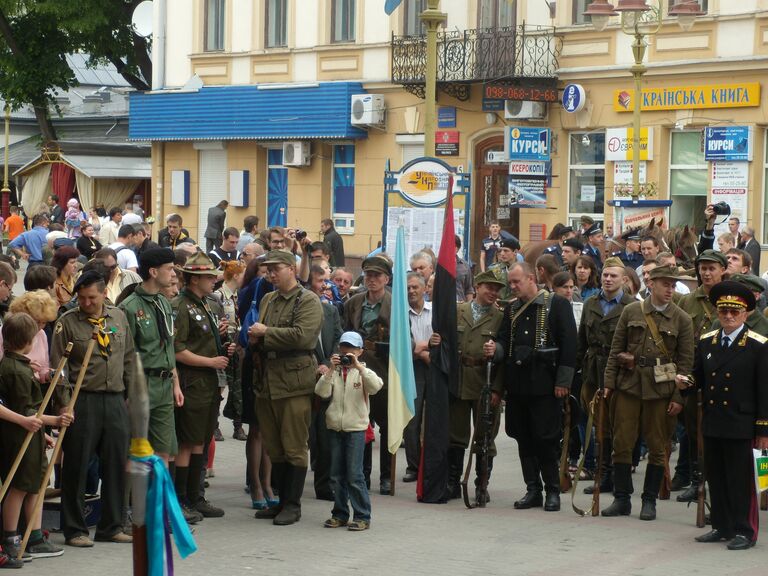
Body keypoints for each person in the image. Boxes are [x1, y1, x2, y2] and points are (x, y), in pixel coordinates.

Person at [50, 271, 137, 547]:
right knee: (77, 464)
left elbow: (129, 358)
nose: (86, 303)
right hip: (81, 400)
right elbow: (58, 370)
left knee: (115, 463)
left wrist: (130, 394)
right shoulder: (68, 323)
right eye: (82, 298)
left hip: (114, 399)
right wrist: (64, 404)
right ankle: (74, 529)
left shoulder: (118, 318)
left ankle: (111, 526)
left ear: (103, 294)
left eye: (92, 297)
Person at [601, 265, 694, 521]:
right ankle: (621, 499)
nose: (670, 290)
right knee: (621, 443)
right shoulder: (632, 311)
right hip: (628, 387)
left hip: (661, 391)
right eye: (666, 284)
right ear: (651, 283)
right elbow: (615, 349)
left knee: (657, 447)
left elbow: (686, 365)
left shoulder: (682, 319)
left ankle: (649, 500)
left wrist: (678, 397)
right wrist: (609, 384)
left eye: (673, 286)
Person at [681, 280, 768, 550]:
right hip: (714, 420)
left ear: (746, 314)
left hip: (743, 423)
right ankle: (721, 525)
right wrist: (687, 383)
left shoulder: (758, 345)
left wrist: (763, 430)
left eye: (734, 312)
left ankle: (745, 530)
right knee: (716, 476)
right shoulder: (708, 341)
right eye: (723, 312)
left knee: (740, 479)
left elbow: (764, 390)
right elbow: (700, 379)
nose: (728, 317)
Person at [494, 262, 577, 512]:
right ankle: (533, 489)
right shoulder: (512, 310)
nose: (513, 287)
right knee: (523, 437)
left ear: (531, 279)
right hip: (518, 385)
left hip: (545, 385)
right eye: (510, 283)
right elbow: (503, 340)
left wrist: (563, 382)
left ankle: (553, 489)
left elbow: (569, 344)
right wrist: (495, 349)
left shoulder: (556, 304)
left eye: (516, 282)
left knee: (545, 438)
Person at [248, 249, 323, 525]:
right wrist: (255, 338)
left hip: (294, 381)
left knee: (293, 445)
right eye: (267, 270)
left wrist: (266, 333)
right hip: (267, 379)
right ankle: (280, 501)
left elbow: (303, 337)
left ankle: (293, 504)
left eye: (275, 269)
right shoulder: (268, 298)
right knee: (274, 444)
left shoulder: (308, 300)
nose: (270, 274)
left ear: (292, 268)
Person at [0, 313, 72, 559]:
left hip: (29, 433)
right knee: (19, 486)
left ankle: (32, 536)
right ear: (28, 341)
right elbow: (27, 411)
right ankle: (11, 537)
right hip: (20, 435)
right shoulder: (16, 371)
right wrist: (54, 421)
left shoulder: (17, 366)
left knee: (33, 485)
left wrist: (44, 432)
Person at [172, 251, 232, 520]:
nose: (213, 281)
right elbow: (177, 349)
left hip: (207, 383)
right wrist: (210, 361)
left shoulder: (206, 303)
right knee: (188, 441)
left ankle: (196, 497)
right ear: (195, 279)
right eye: (209, 277)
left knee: (202, 440)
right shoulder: (181, 306)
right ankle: (183, 499)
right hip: (193, 380)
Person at [440, 270, 504, 503]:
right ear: (477, 286)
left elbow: (504, 355)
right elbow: (445, 342)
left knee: (485, 436)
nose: (493, 292)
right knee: (455, 435)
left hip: (484, 382)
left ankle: (481, 485)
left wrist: (497, 389)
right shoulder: (459, 311)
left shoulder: (500, 317)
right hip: (459, 381)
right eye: (489, 287)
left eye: (497, 289)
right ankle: (452, 482)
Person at [118, 249, 183, 466]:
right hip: (141, 385)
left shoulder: (163, 302)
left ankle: (157, 500)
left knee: (164, 451)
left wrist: (175, 384)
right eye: (170, 269)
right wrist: (128, 391)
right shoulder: (129, 307)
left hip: (164, 385)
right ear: (154, 272)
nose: (173, 274)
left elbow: (168, 347)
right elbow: (125, 355)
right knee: (137, 450)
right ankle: (131, 500)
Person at [576, 257, 634, 495]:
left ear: (623, 279)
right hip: (593, 372)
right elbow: (581, 341)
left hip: (620, 375)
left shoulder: (632, 306)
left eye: (613, 276)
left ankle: (618, 477)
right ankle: (602, 474)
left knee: (619, 428)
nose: (608, 279)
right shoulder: (590, 303)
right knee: (599, 427)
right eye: (605, 275)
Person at [315, 331, 382, 531]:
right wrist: (330, 370)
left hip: (356, 429)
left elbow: (376, 386)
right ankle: (340, 513)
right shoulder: (334, 372)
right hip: (335, 427)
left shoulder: (363, 372)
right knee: (336, 474)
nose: (346, 352)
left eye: (351, 349)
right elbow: (321, 392)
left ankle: (362, 515)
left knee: (354, 474)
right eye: (344, 347)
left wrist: (359, 367)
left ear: (360, 351)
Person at [674, 250, 727, 498]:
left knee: (717, 432)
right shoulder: (688, 301)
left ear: (723, 270)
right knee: (693, 428)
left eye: (711, 268)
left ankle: (715, 481)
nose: (706, 273)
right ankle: (697, 480)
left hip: (723, 376)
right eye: (702, 268)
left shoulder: (730, 298)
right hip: (694, 372)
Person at [343, 255, 393, 494]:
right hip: (357, 368)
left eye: (377, 276)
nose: (371, 280)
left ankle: (386, 477)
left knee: (386, 425)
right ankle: (362, 474)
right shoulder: (354, 303)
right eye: (368, 275)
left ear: (386, 279)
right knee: (361, 424)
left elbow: (404, 341)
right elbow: (344, 333)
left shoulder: (395, 304)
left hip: (383, 371)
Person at [308, 265, 342, 500]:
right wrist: (315, 364)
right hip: (302, 380)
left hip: (327, 379)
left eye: (326, 281)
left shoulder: (330, 311)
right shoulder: (300, 308)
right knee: (303, 436)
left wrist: (330, 363)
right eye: (321, 280)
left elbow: (339, 339)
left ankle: (324, 485)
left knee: (325, 435)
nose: (325, 286)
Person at [212, 260, 247, 441]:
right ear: (235, 275)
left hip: (236, 341)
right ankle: (214, 425)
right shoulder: (218, 296)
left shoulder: (236, 295)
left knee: (236, 386)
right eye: (242, 275)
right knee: (221, 384)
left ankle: (238, 425)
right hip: (224, 343)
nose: (244, 278)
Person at [402, 272, 432, 484]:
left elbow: (441, 341)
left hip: (434, 369)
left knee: (434, 420)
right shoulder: (401, 315)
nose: (411, 291)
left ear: (424, 289)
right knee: (411, 421)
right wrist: (422, 350)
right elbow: (403, 346)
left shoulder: (435, 312)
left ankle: (431, 464)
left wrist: (420, 348)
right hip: (412, 369)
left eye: (415, 287)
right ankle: (414, 466)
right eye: (408, 288)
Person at [489, 237, 521, 301]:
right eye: (500, 251)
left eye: (506, 251)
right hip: (498, 306)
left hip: (517, 306)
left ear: (515, 252)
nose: (502, 254)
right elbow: (488, 289)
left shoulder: (522, 269)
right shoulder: (493, 269)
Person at [455, 235, 474, 303]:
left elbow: (469, 288)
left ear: (457, 249)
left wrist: (468, 307)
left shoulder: (465, 266)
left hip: (461, 305)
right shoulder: (440, 265)